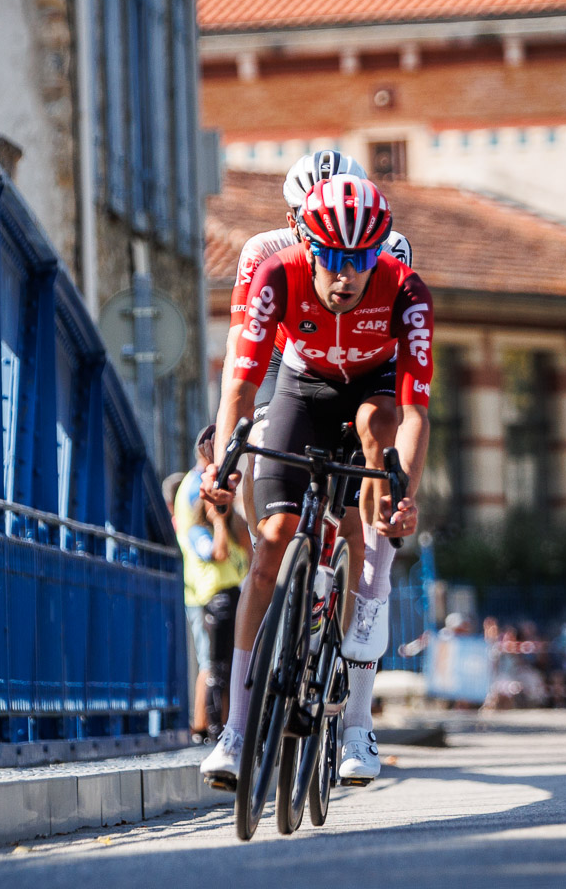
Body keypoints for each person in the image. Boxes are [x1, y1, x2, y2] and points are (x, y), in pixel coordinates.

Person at [200, 174, 433, 789]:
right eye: (329, 257)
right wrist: (226, 458)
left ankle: (358, 726)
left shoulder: (405, 290)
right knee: (273, 537)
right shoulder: (277, 275)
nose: (344, 275)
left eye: (359, 260)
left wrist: (403, 492)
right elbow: (242, 384)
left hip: (373, 391)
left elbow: (414, 412)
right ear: (305, 244)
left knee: (374, 444)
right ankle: (236, 730)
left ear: (378, 253)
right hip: (302, 387)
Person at [221, 150, 416, 673]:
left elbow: (397, 358)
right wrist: (232, 445)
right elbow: (243, 354)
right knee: (263, 433)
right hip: (290, 356)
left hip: (367, 369)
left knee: (361, 503)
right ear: (293, 221)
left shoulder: (391, 252)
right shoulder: (266, 253)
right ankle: (269, 558)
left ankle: (349, 676)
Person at [169, 435, 251, 743]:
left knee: (220, 663)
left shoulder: (201, 487)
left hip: (218, 589)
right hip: (208, 590)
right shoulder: (195, 488)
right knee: (213, 664)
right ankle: (206, 726)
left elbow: (244, 546)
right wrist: (219, 520)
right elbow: (209, 546)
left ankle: (214, 724)